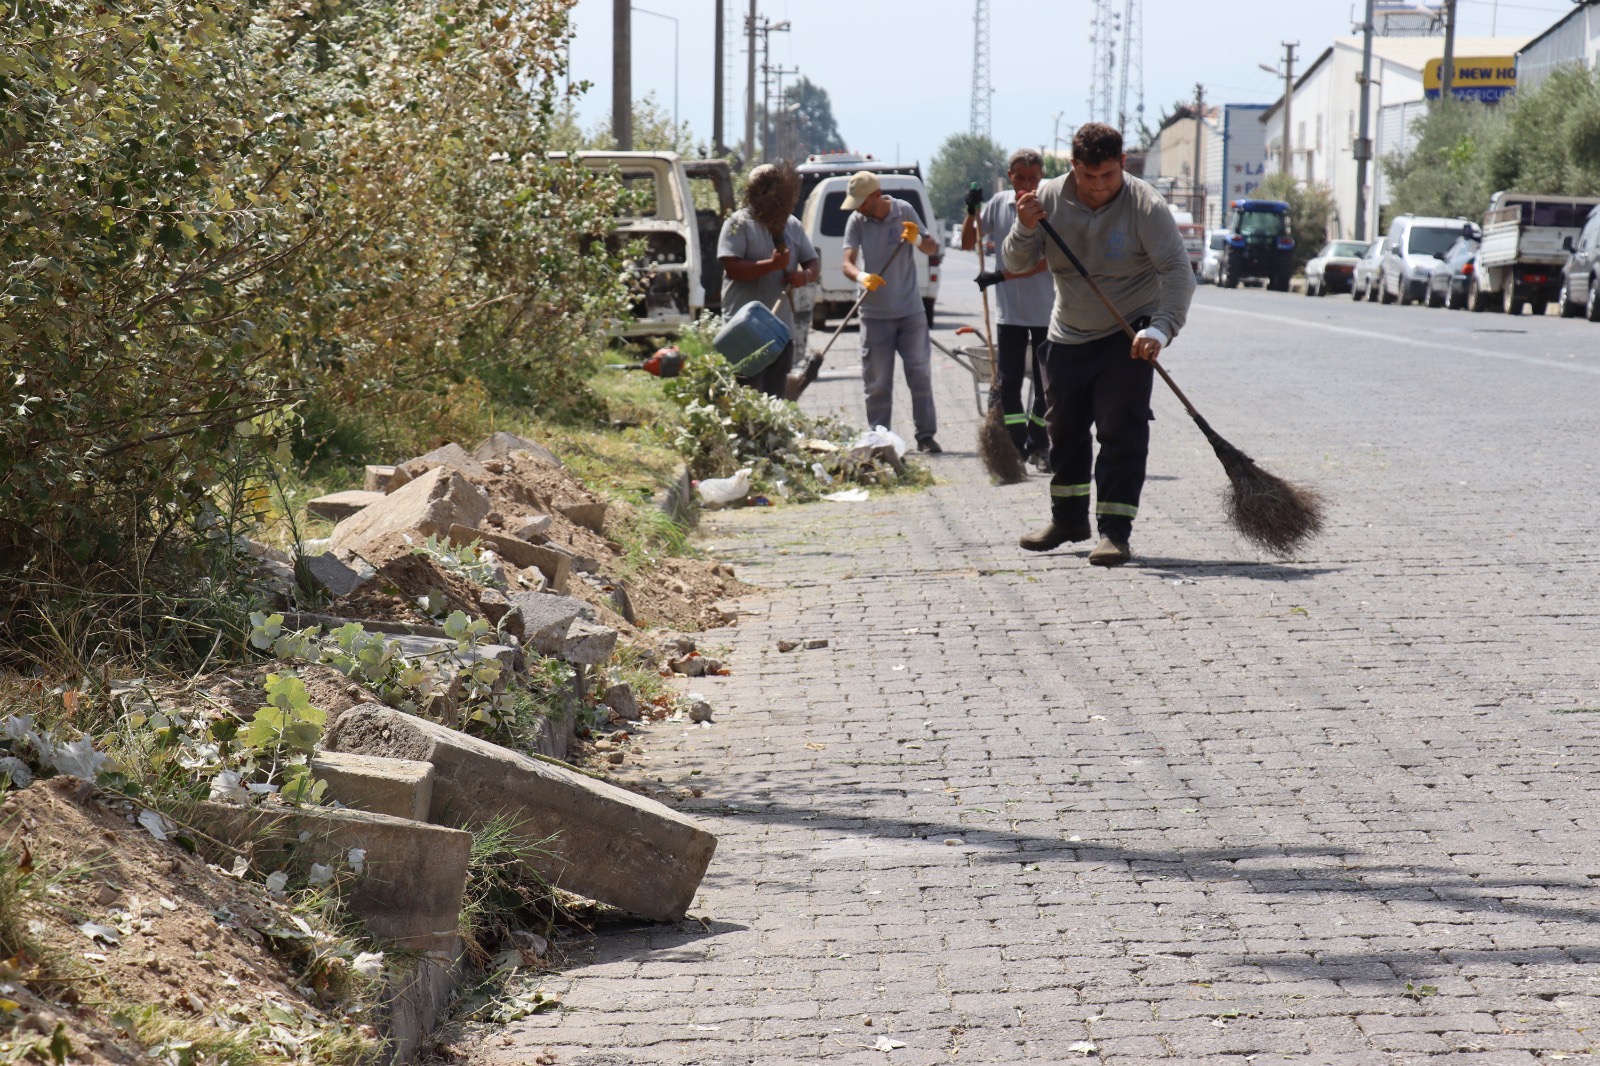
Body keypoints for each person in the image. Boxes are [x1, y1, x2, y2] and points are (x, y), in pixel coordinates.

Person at [1002, 122, 1195, 566]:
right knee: (1063, 430)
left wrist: (1160, 330)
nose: (1098, 186)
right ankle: (1067, 520)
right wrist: (1024, 226)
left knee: (1120, 428)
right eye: (1088, 177)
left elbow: (1179, 273)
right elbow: (1015, 261)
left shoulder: (1145, 203)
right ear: (1073, 167)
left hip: (1129, 332)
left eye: (1107, 175)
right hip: (1067, 331)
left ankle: (1114, 532)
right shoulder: (1047, 197)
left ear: (1122, 165)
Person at [961, 148, 1054, 468]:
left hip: (1046, 311)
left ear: (1040, 176)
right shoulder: (1000, 203)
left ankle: (1039, 441)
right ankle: (1016, 444)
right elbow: (966, 241)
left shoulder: (1048, 203)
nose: (1026, 184)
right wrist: (971, 210)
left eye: (1032, 177)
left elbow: (1045, 261)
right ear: (1010, 176)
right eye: (1020, 178)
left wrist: (1001, 274)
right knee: (1009, 383)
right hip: (1009, 312)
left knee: (1046, 388)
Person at [840, 171, 943, 452]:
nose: (858, 207)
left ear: (876, 195)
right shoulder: (857, 221)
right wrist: (862, 277)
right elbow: (847, 263)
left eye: (862, 201)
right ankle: (879, 439)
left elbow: (932, 248)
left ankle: (926, 437)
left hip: (911, 313)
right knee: (876, 384)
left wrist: (918, 240)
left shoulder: (904, 211)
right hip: (874, 317)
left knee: (920, 376)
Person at [718, 162, 819, 397]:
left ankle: (773, 435)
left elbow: (813, 264)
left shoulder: (791, 225)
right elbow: (732, 268)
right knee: (747, 398)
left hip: (780, 330)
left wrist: (803, 276)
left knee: (775, 400)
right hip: (744, 330)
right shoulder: (738, 224)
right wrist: (772, 265)